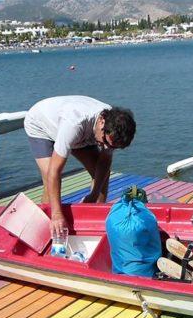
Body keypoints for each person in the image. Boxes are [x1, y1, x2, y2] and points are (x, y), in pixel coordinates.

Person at [24, 95, 136, 236]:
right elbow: (55, 172)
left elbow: (104, 162)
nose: (106, 147)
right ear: (101, 122)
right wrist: (57, 214)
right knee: (49, 179)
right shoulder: (74, 125)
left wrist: (94, 195)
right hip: (41, 125)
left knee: (101, 173)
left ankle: (97, 219)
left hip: (81, 132)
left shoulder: (114, 128)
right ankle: (46, 228)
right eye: (105, 142)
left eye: (112, 146)